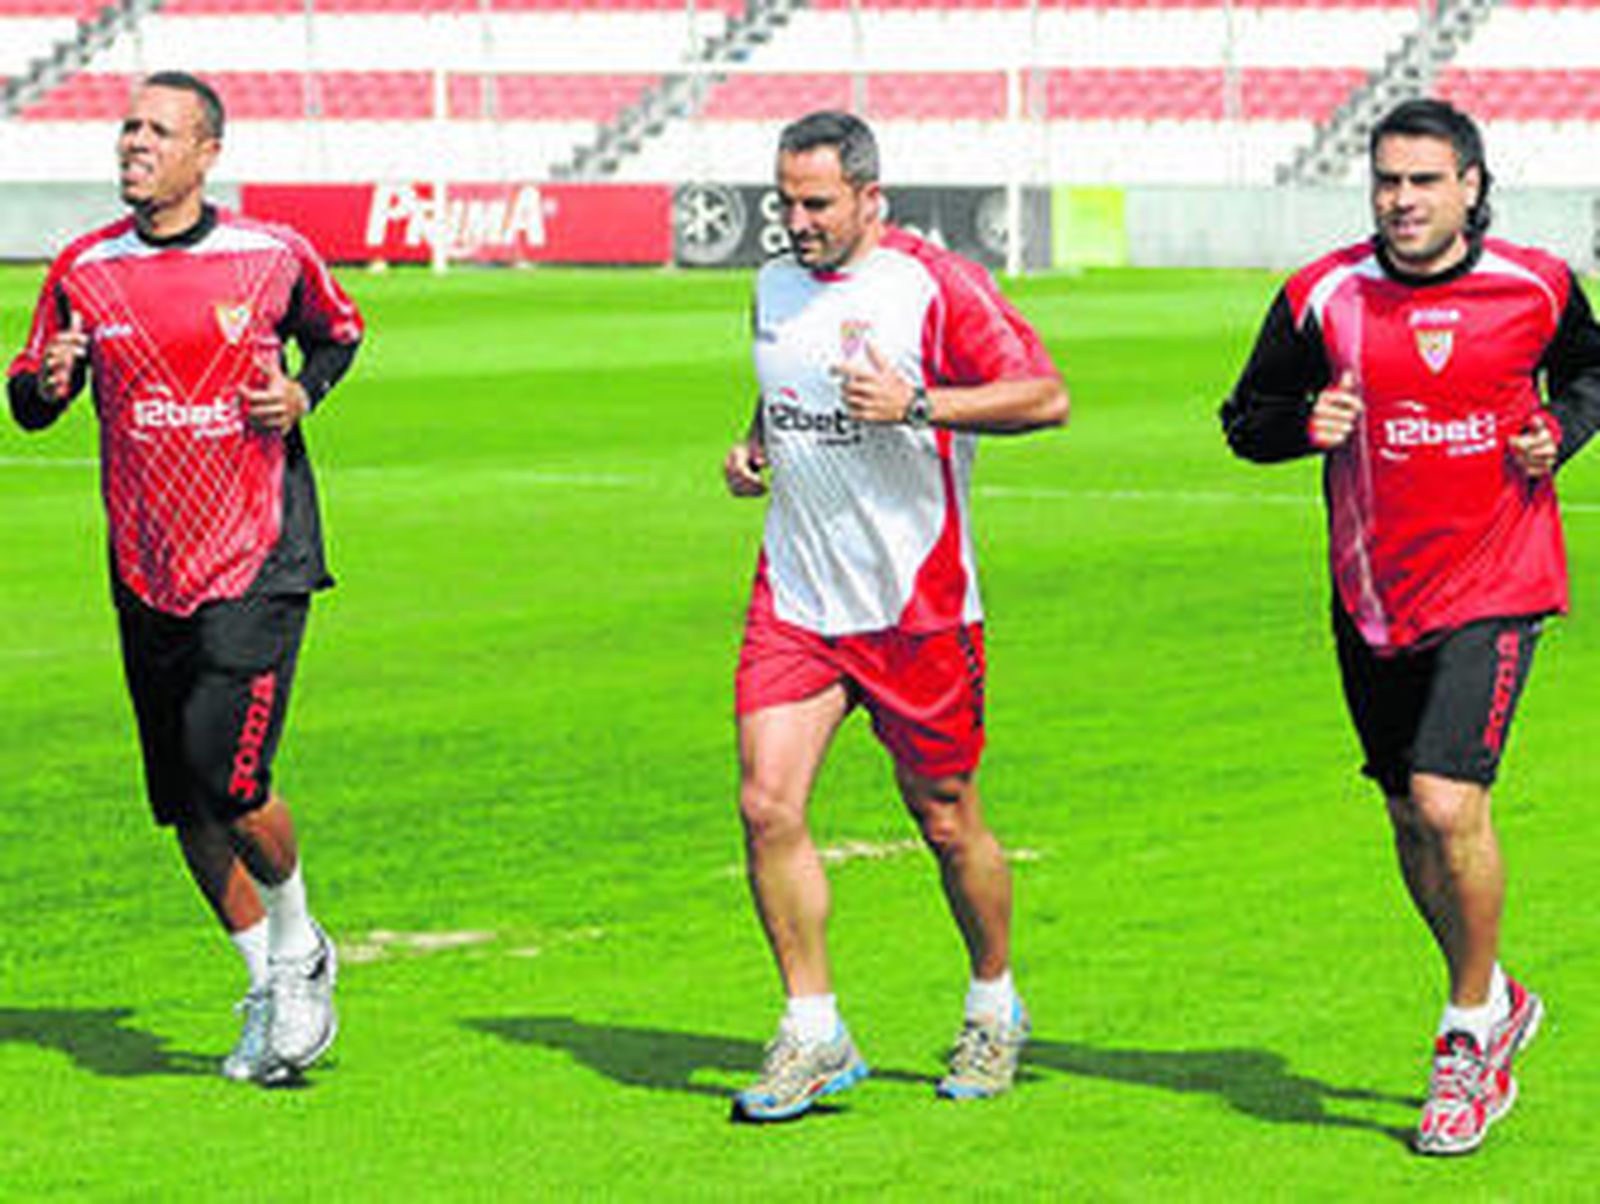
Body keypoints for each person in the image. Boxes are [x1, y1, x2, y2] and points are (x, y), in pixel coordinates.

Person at [1222, 98, 1600, 1155]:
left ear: (1470, 185)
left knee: (1446, 799)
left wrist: (1556, 432)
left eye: (1423, 181)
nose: (1401, 200)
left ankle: (1466, 1037)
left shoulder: (1538, 285)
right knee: (1408, 820)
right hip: (1373, 597)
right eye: (1387, 180)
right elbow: (1243, 422)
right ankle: (1495, 998)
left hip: (1498, 580)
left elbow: (1589, 371)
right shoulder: (1318, 296)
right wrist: (1304, 427)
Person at [7, 71, 363, 1085]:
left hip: (257, 553)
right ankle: (265, 981)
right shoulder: (83, 268)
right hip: (146, 563)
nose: (134, 143)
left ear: (207, 152)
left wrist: (302, 391)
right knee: (183, 804)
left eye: (157, 130)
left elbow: (339, 333)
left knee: (231, 774)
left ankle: (301, 945)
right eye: (128, 127)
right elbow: (29, 397)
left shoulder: (272, 253)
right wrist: (48, 383)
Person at [722, 110, 1068, 1122]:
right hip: (795, 594)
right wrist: (750, 449)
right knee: (766, 805)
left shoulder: (932, 282)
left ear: (870, 198)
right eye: (784, 201)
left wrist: (917, 404)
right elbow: (783, 391)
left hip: (916, 606)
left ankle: (994, 1001)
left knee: (946, 818)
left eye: (817, 202)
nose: (797, 220)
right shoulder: (772, 283)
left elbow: (1043, 396)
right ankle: (812, 1029)